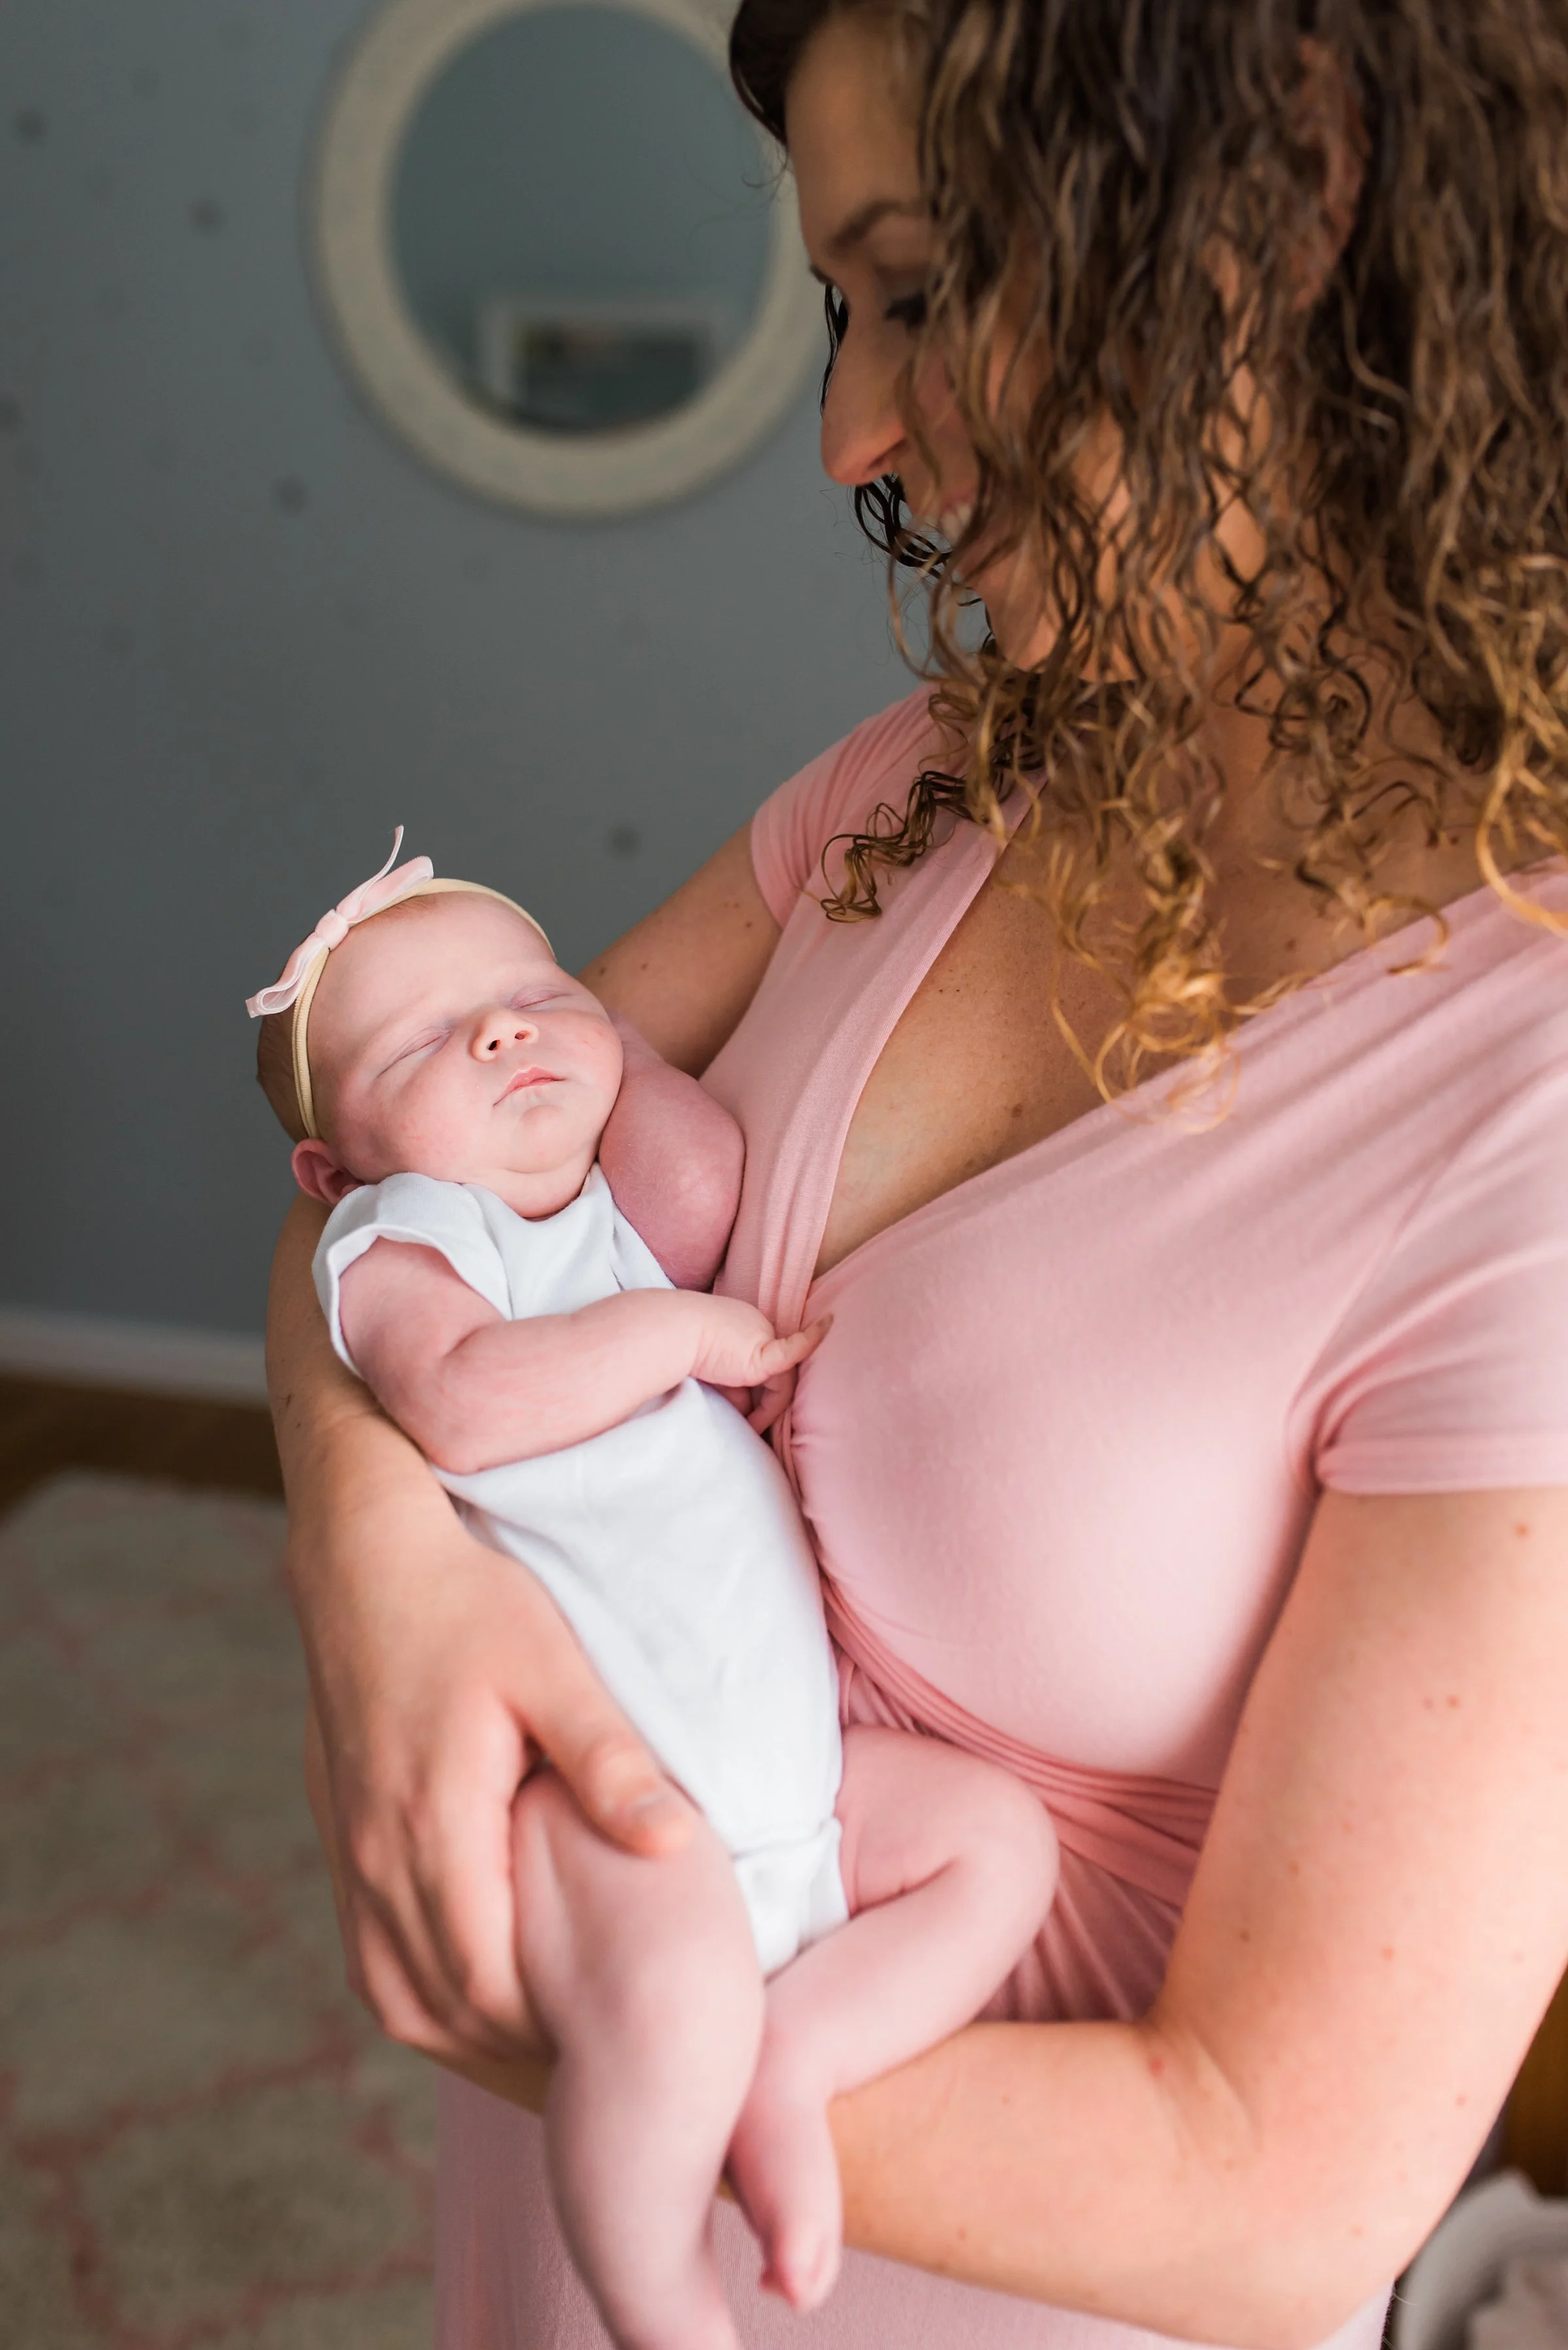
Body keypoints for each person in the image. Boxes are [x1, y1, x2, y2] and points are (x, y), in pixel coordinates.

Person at [264, 1, 1568, 2345]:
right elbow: (371, 1172)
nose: (852, 430)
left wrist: (587, 2020)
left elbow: (1278, 2184)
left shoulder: (1531, 1092)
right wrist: (386, 1584)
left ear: (1292, 197)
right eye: (840, 310)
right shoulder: (936, 782)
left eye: (929, 285)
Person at [246, 857, 1058, 2348]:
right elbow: (465, 1401)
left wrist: (608, 1053)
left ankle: (799, 2059)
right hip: (625, 1793)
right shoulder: (409, 1237)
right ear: (332, 1171)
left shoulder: (596, 1223)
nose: (500, 1032)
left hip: (801, 1784)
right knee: (673, 1999)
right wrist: (680, 1334)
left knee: (998, 1846)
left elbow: (698, 1176)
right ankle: (653, 2293)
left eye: (533, 996)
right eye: (422, 1044)